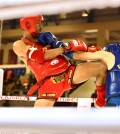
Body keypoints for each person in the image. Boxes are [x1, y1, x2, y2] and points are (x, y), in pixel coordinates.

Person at [13, 15, 107, 107]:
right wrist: (65, 47)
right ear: (28, 25)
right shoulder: (19, 45)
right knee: (38, 120)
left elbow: (73, 54)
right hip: (50, 82)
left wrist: (90, 52)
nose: (41, 26)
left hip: (68, 72)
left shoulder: (45, 39)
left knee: (102, 67)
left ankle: (100, 101)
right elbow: (40, 56)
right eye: (38, 23)